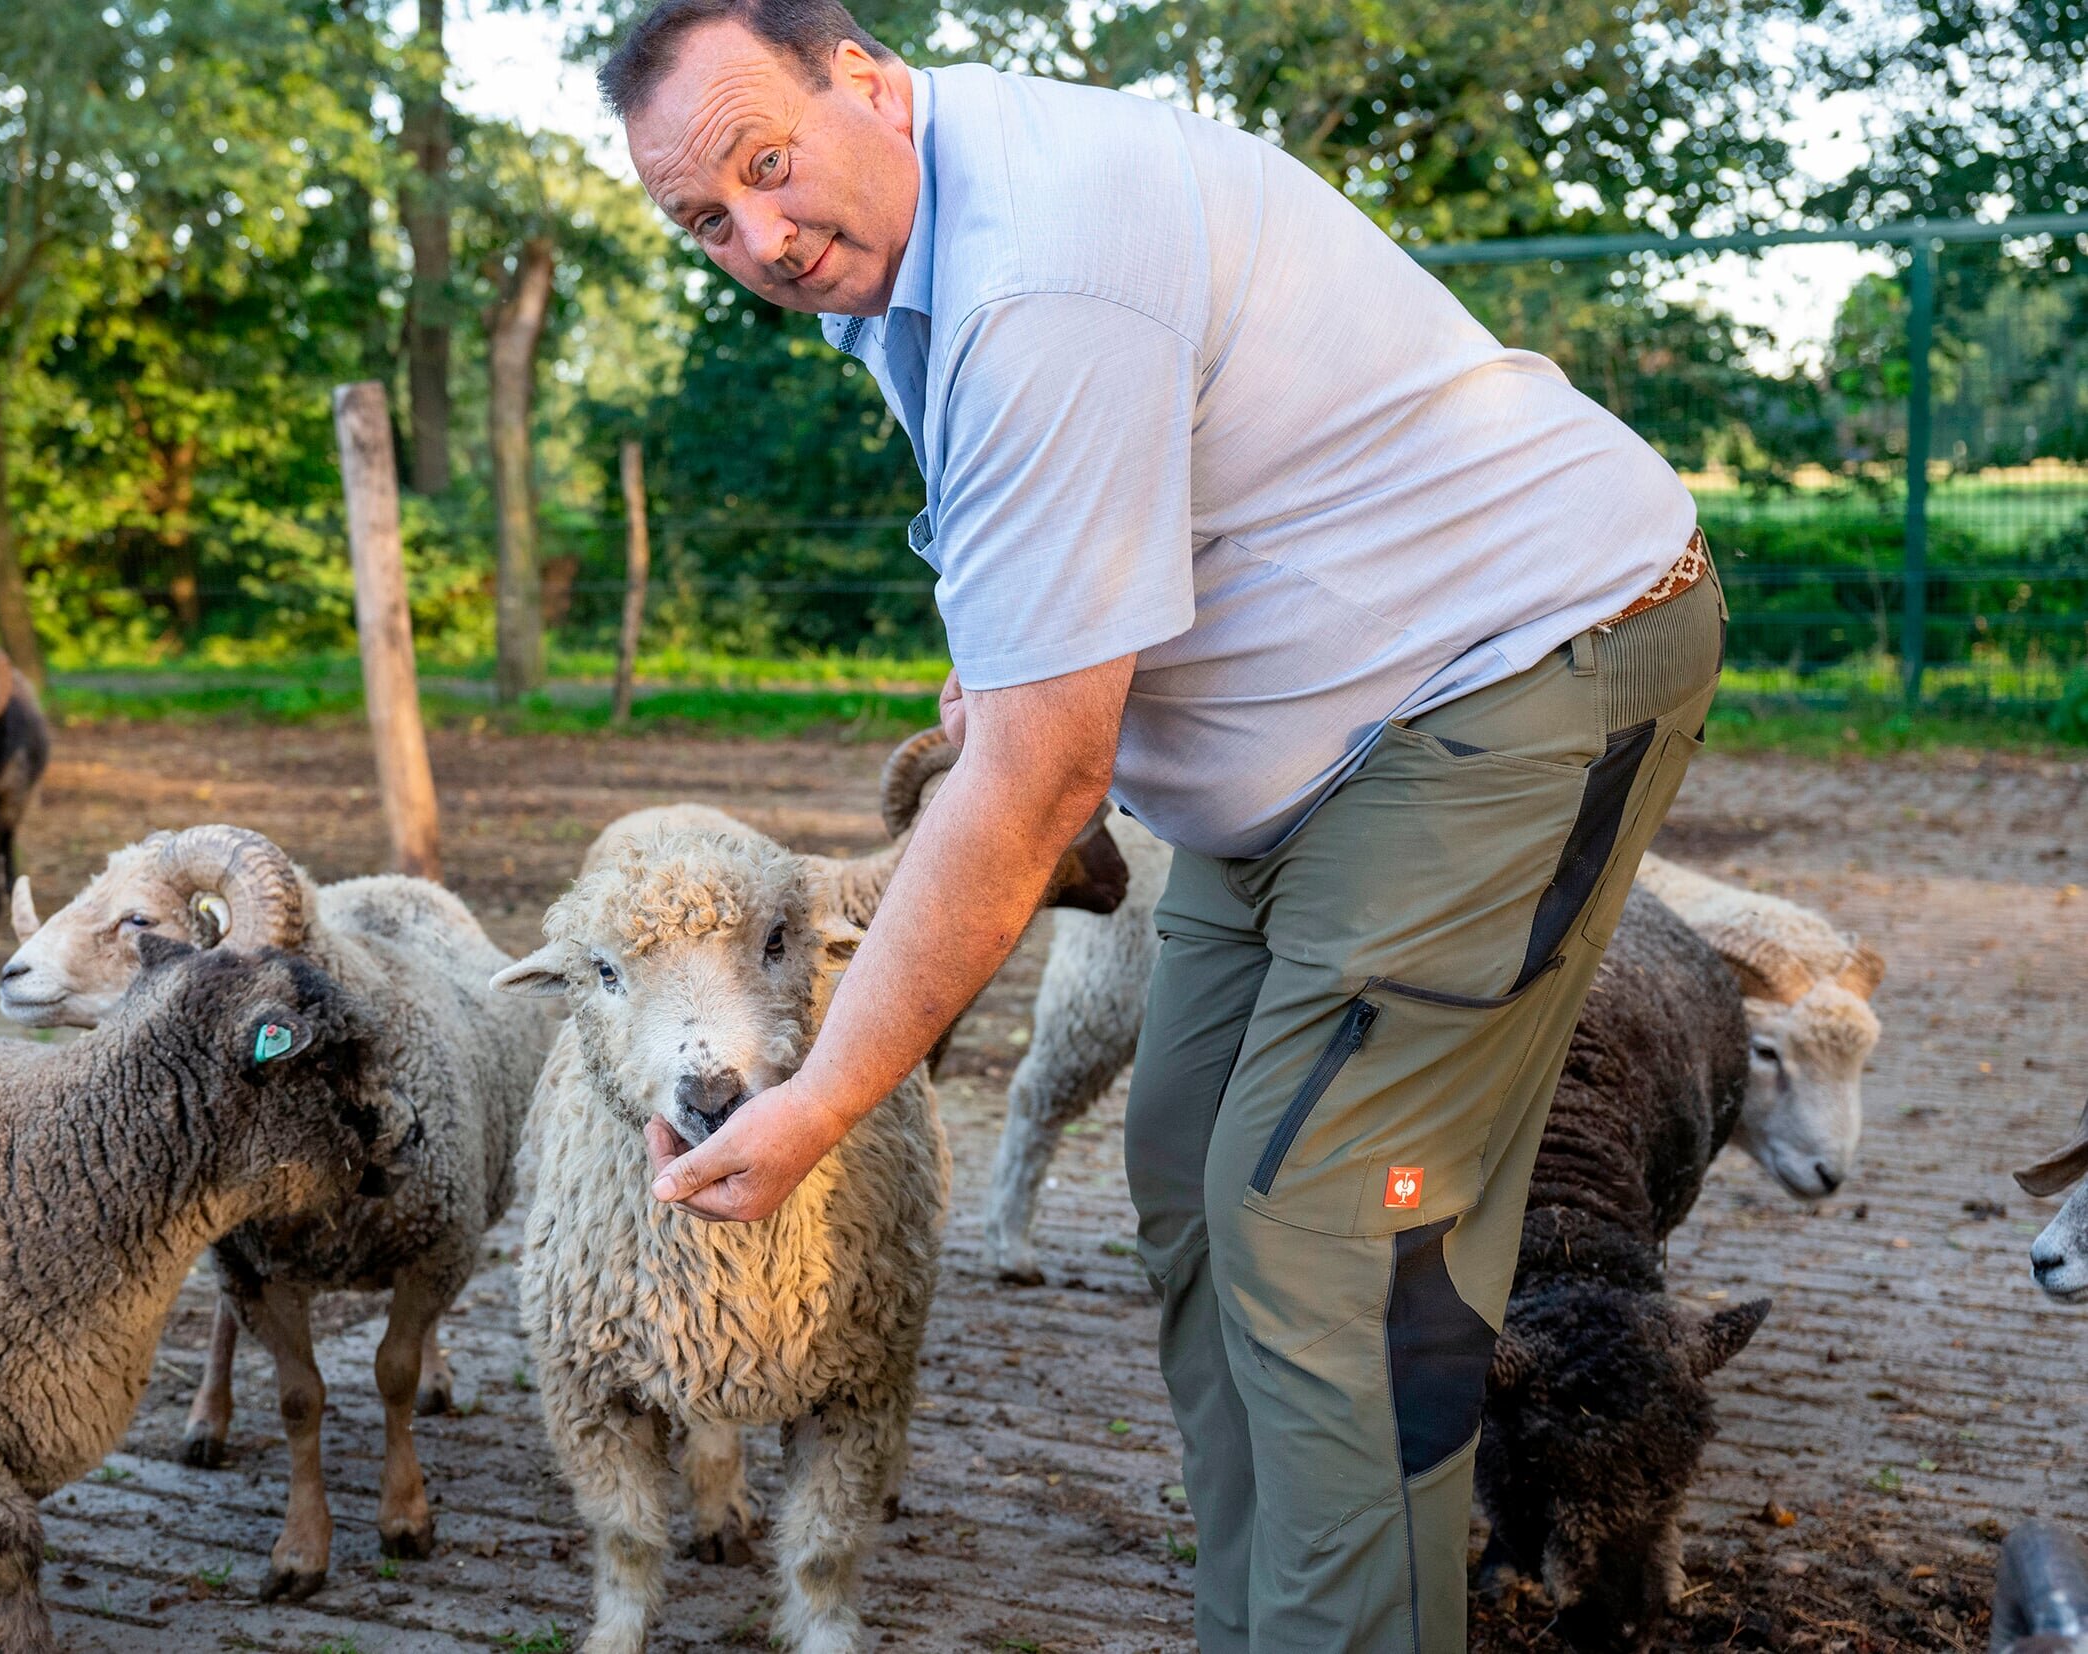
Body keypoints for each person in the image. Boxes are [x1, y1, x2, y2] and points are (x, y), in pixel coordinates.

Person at [599, 1, 1725, 1648]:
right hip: (1316, 738)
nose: (759, 237)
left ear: (867, 82)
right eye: (705, 218)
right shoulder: (903, 241)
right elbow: (1052, 541)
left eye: (768, 167)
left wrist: (829, 1089)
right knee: (1196, 1168)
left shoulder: (1038, 268)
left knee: (1326, 1228)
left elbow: (1047, 787)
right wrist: (1007, 658)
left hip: (1520, 675)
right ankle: (1274, 1617)